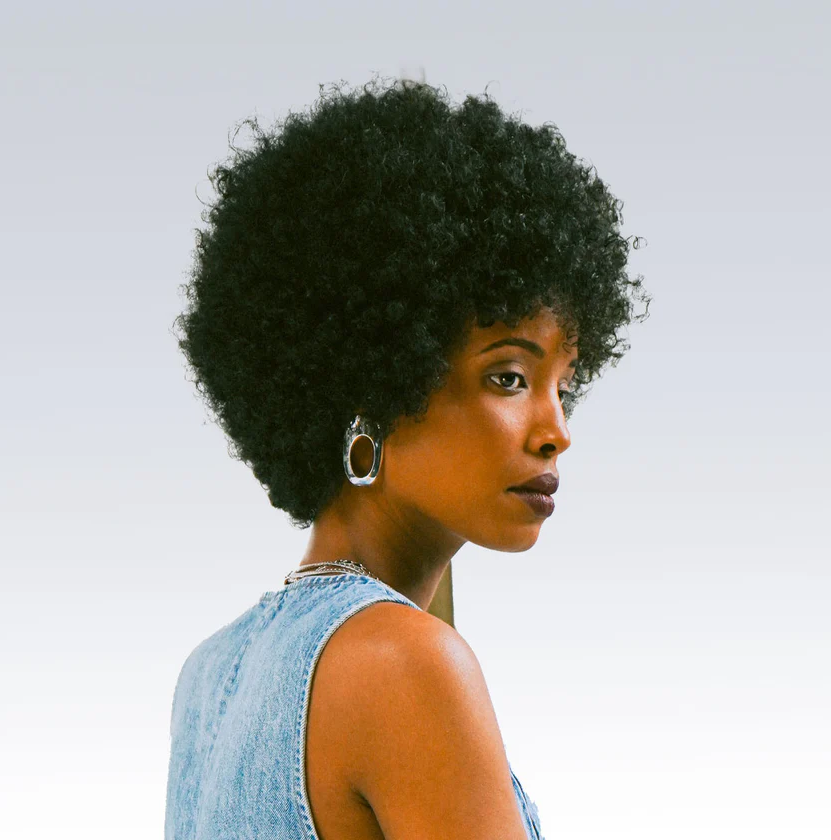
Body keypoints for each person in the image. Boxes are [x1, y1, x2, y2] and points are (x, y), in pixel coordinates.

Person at [165, 73, 651, 840]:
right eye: (509, 377)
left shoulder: (207, 678)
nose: (555, 430)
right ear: (378, 382)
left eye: (565, 385)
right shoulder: (405, 665)